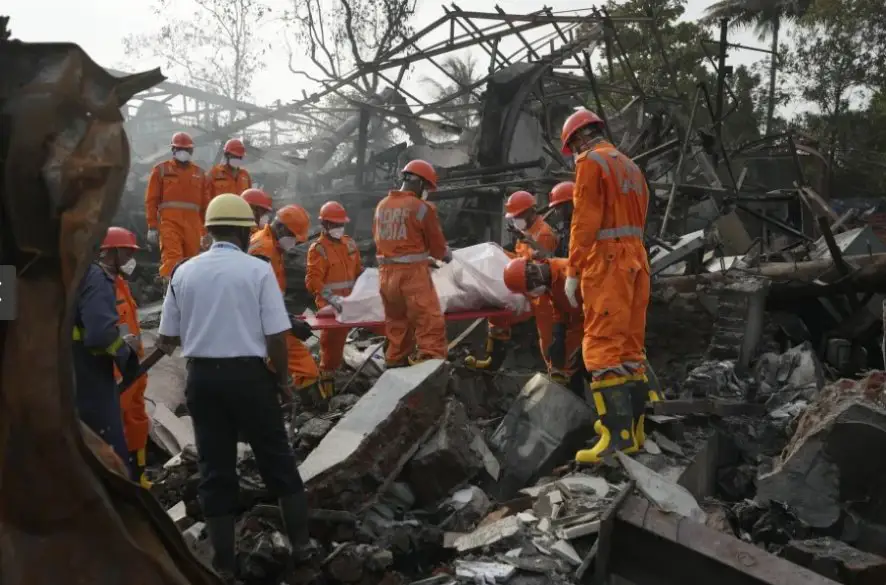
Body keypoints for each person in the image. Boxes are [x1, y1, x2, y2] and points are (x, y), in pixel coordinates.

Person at [155, 194, 314, 583]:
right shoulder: (256, 271)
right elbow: (277, 336)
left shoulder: (184, 272)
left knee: (215, 468)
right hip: (249, 378)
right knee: (276, 457)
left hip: (204, 382)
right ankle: (302, 548)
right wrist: (281, 380)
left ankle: (225, 566)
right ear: (245, 231)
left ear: (207, 231)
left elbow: (166, 339)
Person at [560, 108, 659, 462]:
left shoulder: (591, 163)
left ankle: (616, 437)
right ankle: (634, 429)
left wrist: (573, 270)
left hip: (609, 261)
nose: (574, 155)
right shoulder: (631, 167)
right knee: (630, 348)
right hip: (637, 260)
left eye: (573, 148)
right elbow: (641, 215)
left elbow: (584, 222)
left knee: (600, 346)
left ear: (578, 139)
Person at [466, 190, 558, 371]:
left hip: (537, 292)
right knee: (496, 309)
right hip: (522, 282)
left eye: (518, 215)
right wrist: (498, 254)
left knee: (505, 309)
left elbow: (540, 269)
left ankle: (553, 370)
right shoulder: (525, 231)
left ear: (530, 212)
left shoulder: (543, 234)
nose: (515, 219)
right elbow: (519, 257)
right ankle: (493, 360)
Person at [373, 159, 451, 366]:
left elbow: (386, 241)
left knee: (398, 325)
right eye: (425, 187)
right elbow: (437, 245)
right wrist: (445, 255)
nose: (425, 192)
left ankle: (394, 365)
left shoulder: (382, 206)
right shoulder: (421, 207)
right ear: (418, 183)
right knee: (429, 323)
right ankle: (430, 369)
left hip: (386, 277)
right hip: (412, 278)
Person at [73, 242, 141, 474]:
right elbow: (101, 334)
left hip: (26, 384)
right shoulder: (89, 275)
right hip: (84, 378)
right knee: (108, 456)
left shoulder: (9, 273)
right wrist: (125, 353)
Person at [248, 204, 320, 402]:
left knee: (272, 364)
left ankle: (270, 399)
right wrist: (288, 320)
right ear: (280, 228)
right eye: (294, 235)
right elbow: (257, 296)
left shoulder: (270, 244)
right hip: (264, 320)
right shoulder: (264, 249)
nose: (296, 241)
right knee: (305, 367)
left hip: (267, 317)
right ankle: (313, 410)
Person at [100, 227, 152, 488]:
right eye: (127, 252)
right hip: (115, 373)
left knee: (137, 423)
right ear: (111, 253)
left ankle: (139, 475)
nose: (132, 259)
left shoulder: (120, 284)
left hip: (134, 370)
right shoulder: (99, 287)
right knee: (114, 430)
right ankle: (119, 480)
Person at [502, 257, 585, 397]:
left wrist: (585, 341)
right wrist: (558, 331)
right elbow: (561, 310)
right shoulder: (549, 284)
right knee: (572, 370)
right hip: (582, 324)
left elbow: (600, 306)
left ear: (531, 273)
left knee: (594, 369)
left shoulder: (568, 273)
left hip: (603, 324)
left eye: (529, 286)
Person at [305, 201, 363, 398]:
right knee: (331, 351)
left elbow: (358, 272)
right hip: (332, 309)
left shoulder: (350, 244)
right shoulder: (318, 249)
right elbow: (313, 281)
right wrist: (331, 299)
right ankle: (327, 392)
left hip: (353, 303)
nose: (338, 228)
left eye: (341, 224)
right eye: (334, 225)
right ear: (324, 225)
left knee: (390, 327)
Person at [144, 131, 210, 285]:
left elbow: (205, 207)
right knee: (172, 261)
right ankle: (170, 296)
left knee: (191, 263)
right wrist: (152, 226)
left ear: (191, 151)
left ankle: (189, 298)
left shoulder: (200, 174)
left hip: (193, 227)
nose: (183, 153)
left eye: (186, 150)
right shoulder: (161, 170)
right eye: (180, 149)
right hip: (170, 225)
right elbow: (151, 200)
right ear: (173, 150)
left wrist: (205, 231)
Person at [547, 181, 575, 258]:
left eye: (558, 207)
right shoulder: (567, 226)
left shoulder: (581, 226)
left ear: (571, 203)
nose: (556, 212)